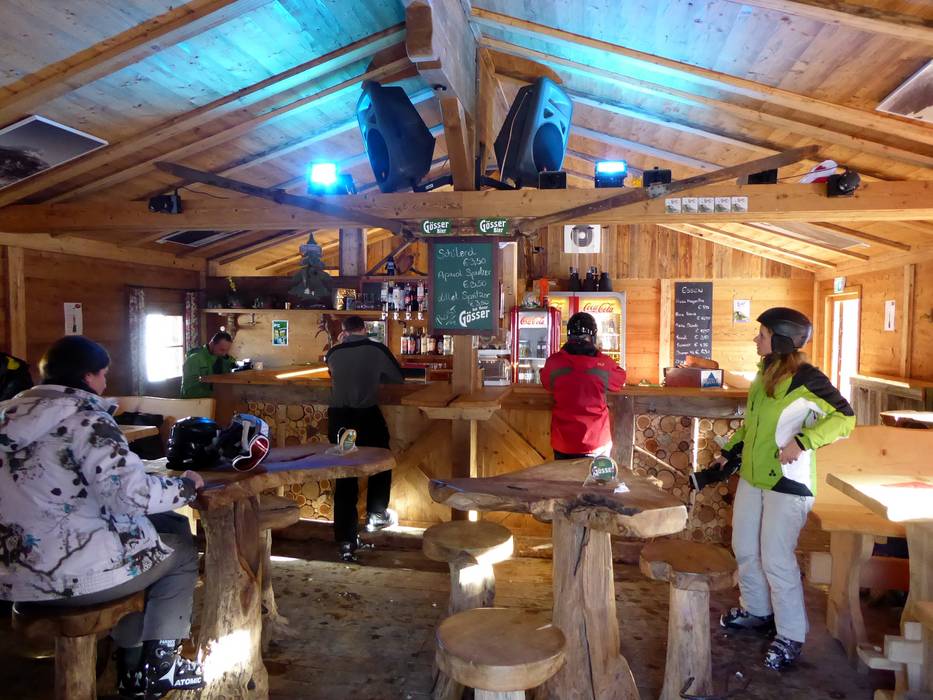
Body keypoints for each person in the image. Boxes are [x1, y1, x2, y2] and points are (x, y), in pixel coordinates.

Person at [0, 336, 206, 699]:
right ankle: (160, 666)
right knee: (180, 551)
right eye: (103, 374)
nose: (106, 382)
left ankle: (132, 666)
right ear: (87, 376)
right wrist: (186, 488)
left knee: (164, 528)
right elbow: (131, 495)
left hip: (11, 577)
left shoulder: (7, 414)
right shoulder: (87, 420)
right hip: (67, 578)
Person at [714, 308, 854, 671]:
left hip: (787, 482)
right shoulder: (764, 374)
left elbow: (845, 418)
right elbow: (753, 426)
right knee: (745, 548)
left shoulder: (806, 378)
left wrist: (804, 441)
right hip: (753, 477)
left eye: (761, 334)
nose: (755, 339)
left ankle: (791, 634)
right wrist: (730, 452)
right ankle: (757, 610)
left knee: (776, 558)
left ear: (779, 339)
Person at [324, 315, 404, 562]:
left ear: (345, 331)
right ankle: (376, 514)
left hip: (340, 419)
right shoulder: (376, 349)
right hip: (366, 416)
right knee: (382, 459)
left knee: (345, 474)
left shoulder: (333, 353)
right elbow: (398, 378)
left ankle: (346, 540)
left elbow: (333, 374)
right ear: (365, 329)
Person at [540, 312, 626, 459]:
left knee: (564, 474)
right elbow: (620, 380)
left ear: (569, 336)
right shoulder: (603, 364)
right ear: (593, 337)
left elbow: (546, 382)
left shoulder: (554, 362)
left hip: (564, 441)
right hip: (596, 440)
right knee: (595, 475)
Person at [180, 331, 235, 398]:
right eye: (222, 350)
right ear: (212, 344)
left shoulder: (223, 358)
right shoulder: (194, 359)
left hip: (214, 399)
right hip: (194, 401)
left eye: (227, 351)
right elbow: (189, 392)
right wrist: (215, 394)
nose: (224, 354)